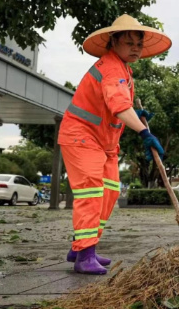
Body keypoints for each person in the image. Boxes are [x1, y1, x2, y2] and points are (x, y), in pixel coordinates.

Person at [58, 15, 171, 275]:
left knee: (109, 191)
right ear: (113, 42)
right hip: (82, 137)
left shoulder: (124, 70)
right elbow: (119, 107)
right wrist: (144, 132)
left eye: (138, 44)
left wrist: (138, 116)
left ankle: (83, 246)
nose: (135, 48)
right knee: (91, 193)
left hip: (105, 144)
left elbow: (118, 107)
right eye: (129, 42)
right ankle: (84, 255)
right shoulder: (110, 68)